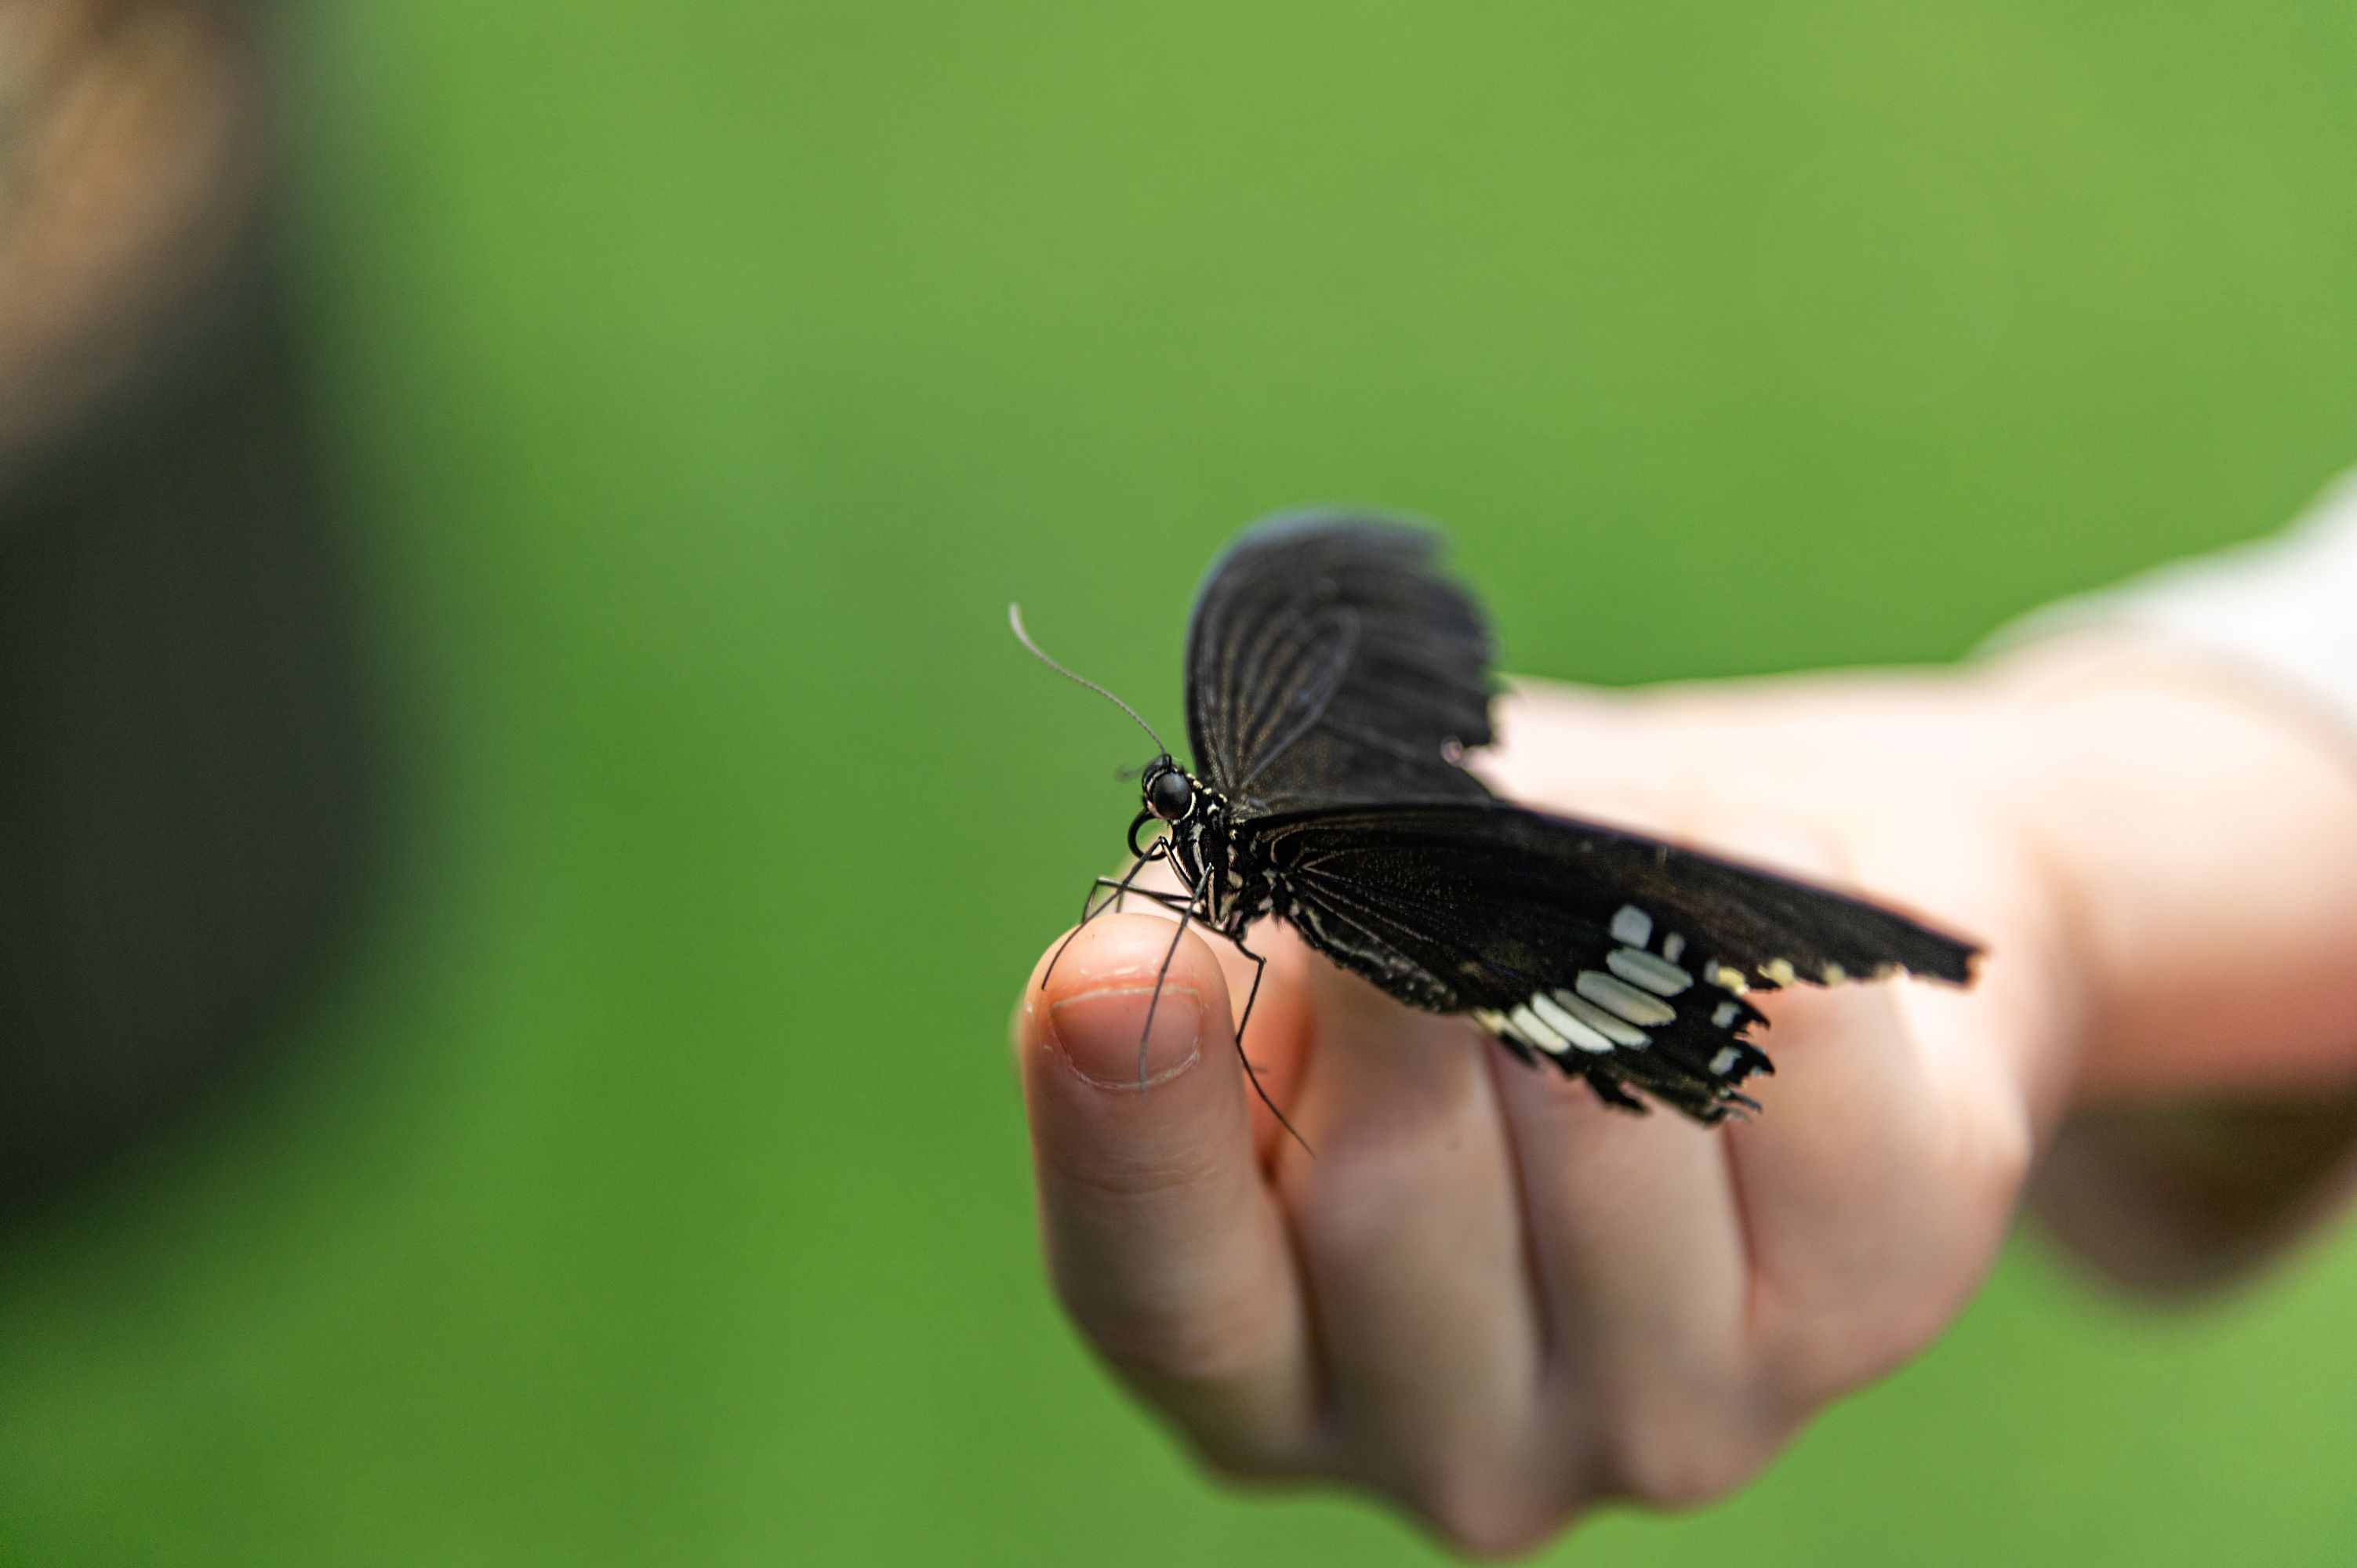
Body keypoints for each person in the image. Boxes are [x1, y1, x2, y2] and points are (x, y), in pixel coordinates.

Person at [1009, 474, 2357, 1556]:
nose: (1178, 827)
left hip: (1540, 945)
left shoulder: (1274, 838)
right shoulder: (1261, 834)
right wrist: (2041, 861)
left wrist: (2051, 881)